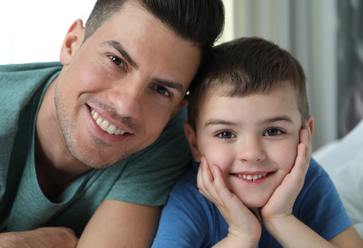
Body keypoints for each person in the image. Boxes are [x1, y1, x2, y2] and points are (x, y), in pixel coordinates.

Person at [0, 0, 224, 247]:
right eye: (116, 61)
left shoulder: (170, 136)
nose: (126, 106)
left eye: (161, 90)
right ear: (72, 44)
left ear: (175, 108)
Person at [152, 37, 363, 247]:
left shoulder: (309, 181)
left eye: (273, 131)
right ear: (195, 144)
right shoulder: (189, 199)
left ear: (304, 135)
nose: (252, 153)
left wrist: (281, 219)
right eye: (225, 134)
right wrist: (241, 235)